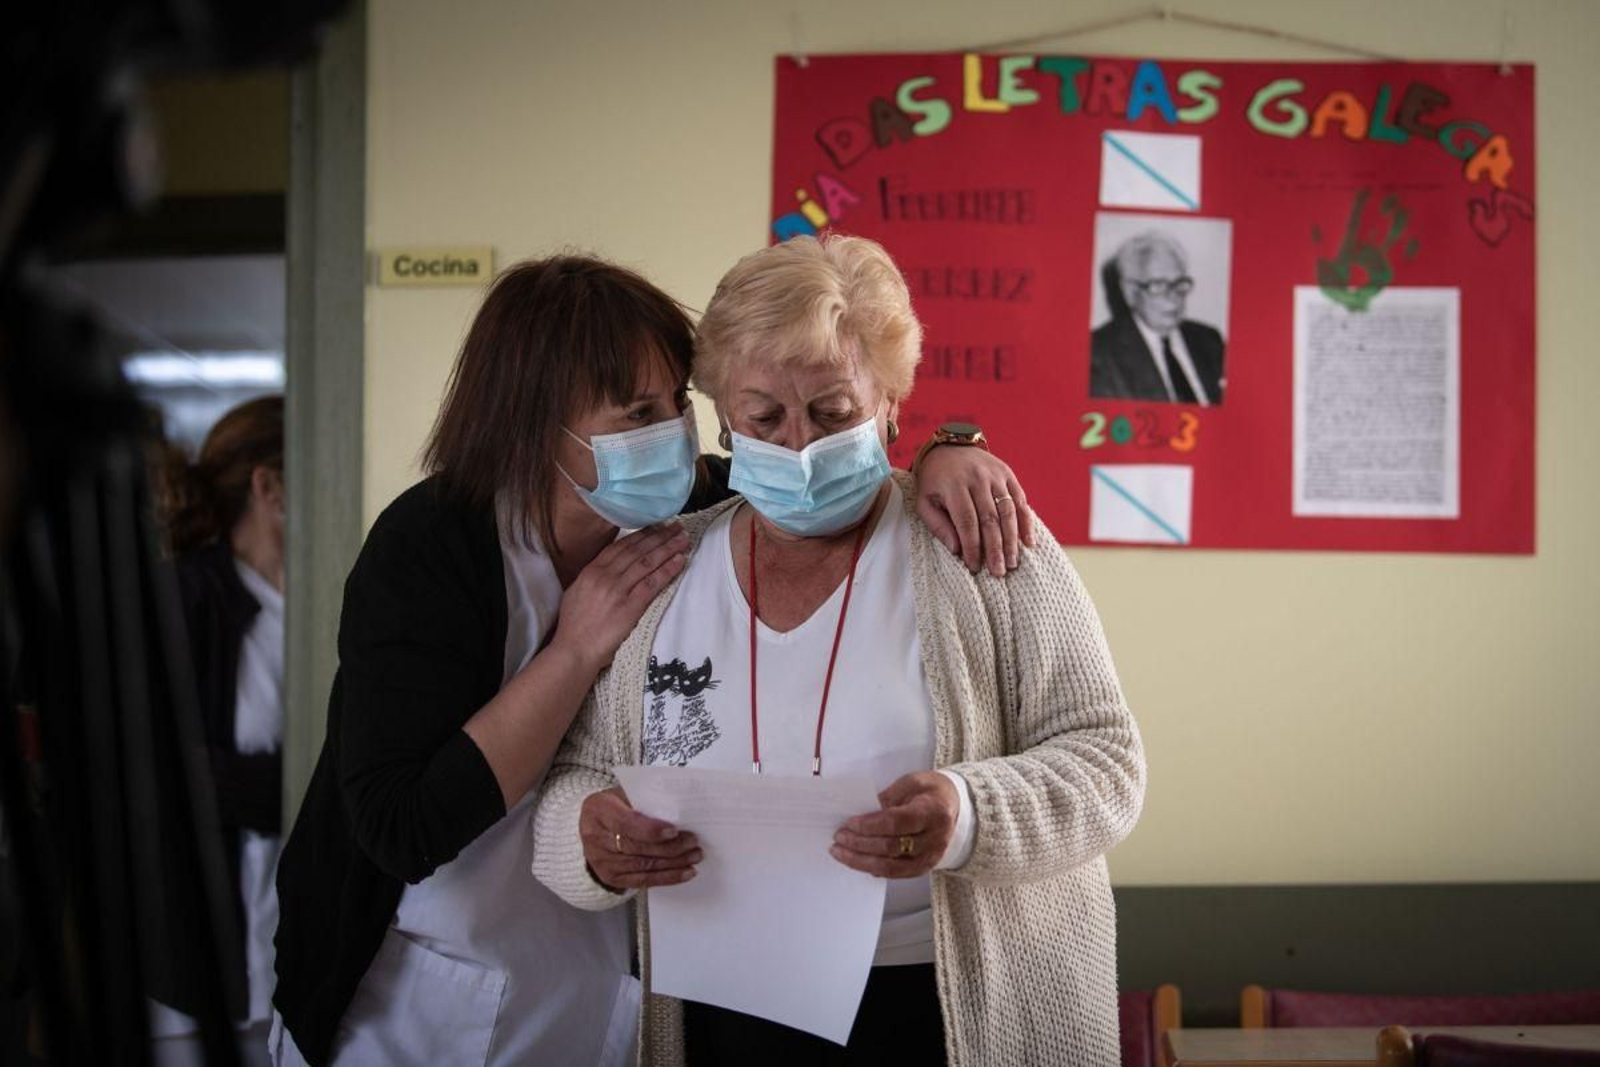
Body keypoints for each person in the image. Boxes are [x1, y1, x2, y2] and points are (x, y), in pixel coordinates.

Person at [269, 255, 1037, 1065]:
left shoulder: (693, 503)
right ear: (535, 425)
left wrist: (958, 446)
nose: (674, 434)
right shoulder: (430, 546)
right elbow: (402, 826)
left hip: (613, 974)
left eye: (677, 401)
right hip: (418, 984)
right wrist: (574, 649)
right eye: (638, 411)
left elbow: (827, 463)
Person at [532, 234, 1147, 1065]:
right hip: (720, 1009)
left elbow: (1107, 760)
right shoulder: (656, 573)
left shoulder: (986, 545)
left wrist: (966, 814)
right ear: (719, 415)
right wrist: (587, 836)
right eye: (764, 416)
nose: (798, 445)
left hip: (953, 1007)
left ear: (892, 404)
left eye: (833, 413)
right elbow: (573, 776)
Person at [151, 395, 287, 1067]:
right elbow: (157, 773)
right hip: (190, 975)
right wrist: (300, 786)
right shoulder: (185, 599)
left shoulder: (323, 597)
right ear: (270, 486)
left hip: (285, 967)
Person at [1090, 230, 1225, 406]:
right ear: (1130, 292)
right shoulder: (1099, 353)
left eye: (1179, 284)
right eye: (1158, 285)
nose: (1174, 298)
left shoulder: (1209, 339)